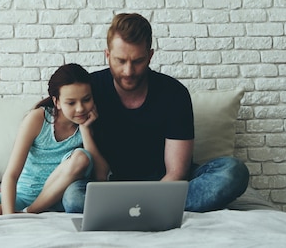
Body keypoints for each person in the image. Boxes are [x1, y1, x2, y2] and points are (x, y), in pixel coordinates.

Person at [62, 13, 249, 213]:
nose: (128, 71)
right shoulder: (90, 90)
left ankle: (126, 210)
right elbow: (54, 109)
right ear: (107, 55)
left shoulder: (174, 93)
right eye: (120, 61)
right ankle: (149, 210)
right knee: (74, 197)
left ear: (150, 56)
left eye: (137, 61)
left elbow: (176, 172)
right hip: (109, 185)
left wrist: (148, 199)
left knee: (232, 171)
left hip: (165, 183)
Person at [0, 63, 109, 217]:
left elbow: (101, 176)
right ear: (57, 102)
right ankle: (27, 212)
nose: (80, 108)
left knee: (81, 157)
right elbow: (11, 174)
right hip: (25, 196)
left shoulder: (93, 121)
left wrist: (85, 129)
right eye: (71, 102)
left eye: (86, 99)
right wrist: (9, 214)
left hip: (63, 199)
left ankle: (30, 212)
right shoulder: (38, 119)